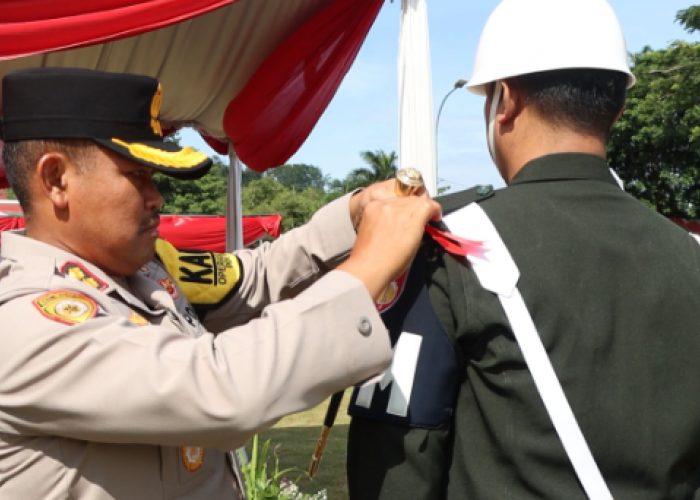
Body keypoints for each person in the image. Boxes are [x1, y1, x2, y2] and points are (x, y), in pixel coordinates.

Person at [0, 67, 441, 499]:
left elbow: (253, 278)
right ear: (56, 179)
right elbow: (218, 388)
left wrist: (355, 215)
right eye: (137, 175)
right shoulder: (22, 317)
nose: (157, 198)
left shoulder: (141, 274)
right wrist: (372, 263)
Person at [346, 0, 700, 498]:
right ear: (618, 107)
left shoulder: (455, 245)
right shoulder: (689, 255)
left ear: (504, 100)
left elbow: (396, 463)